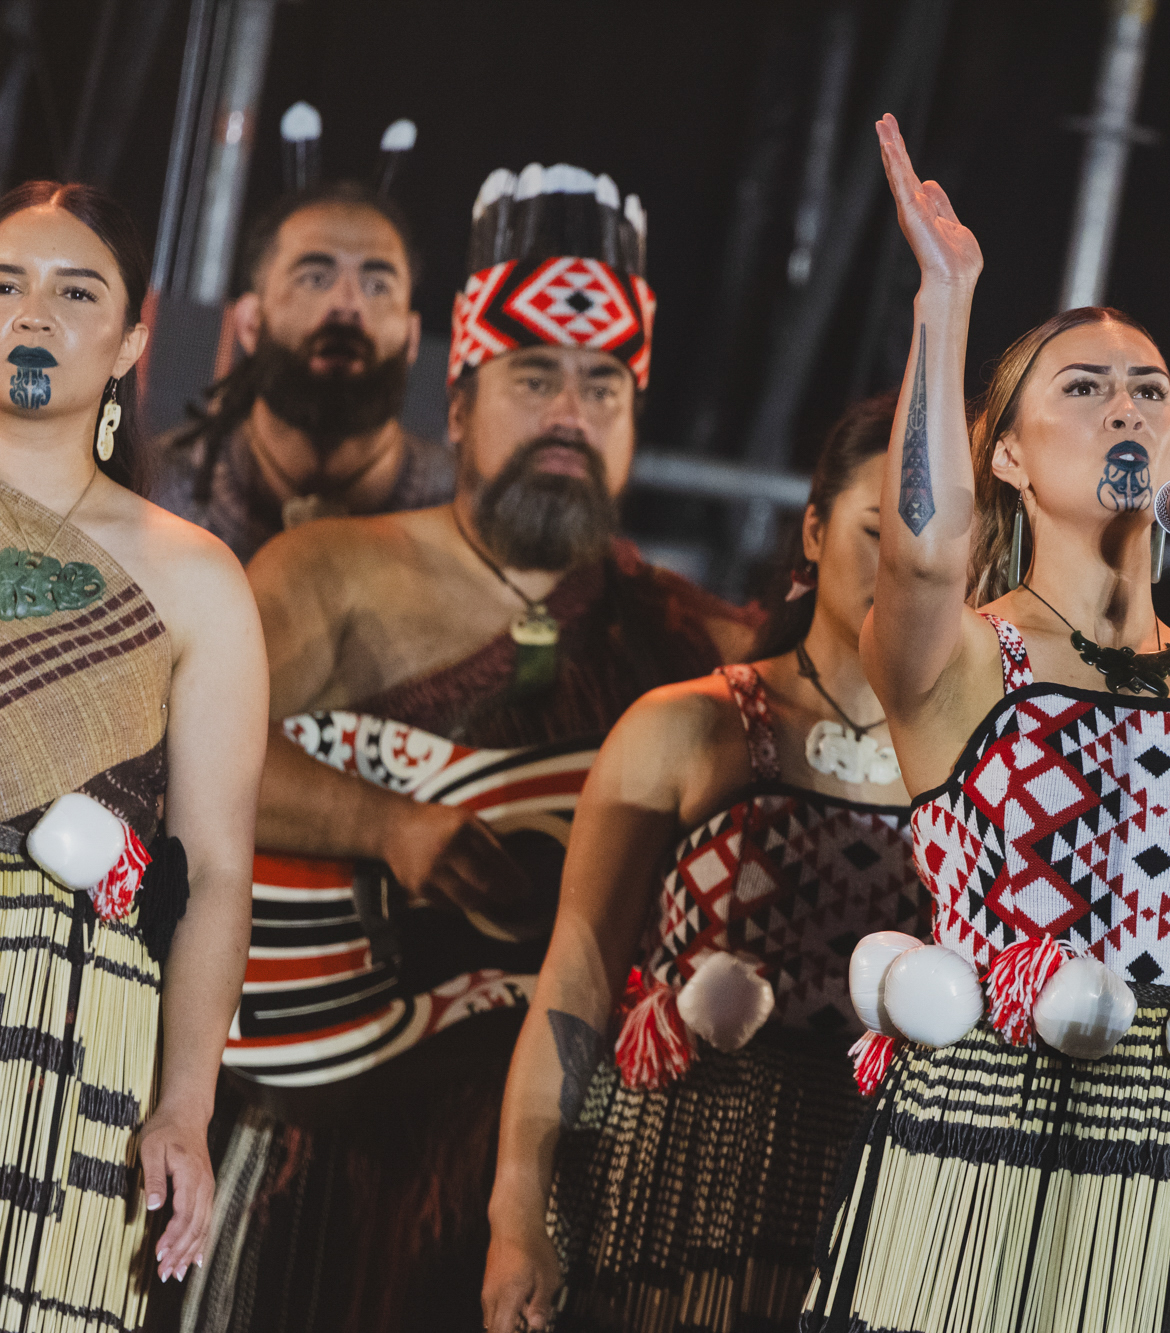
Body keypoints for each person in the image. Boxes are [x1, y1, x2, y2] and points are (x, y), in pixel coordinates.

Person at [802, 116, 1170, 1333]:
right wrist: (944, 298)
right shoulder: (966, 655)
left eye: (1148, 390)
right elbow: (918, 557)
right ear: (1006, 457)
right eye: (1084, 387)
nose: (1126, 406)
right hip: (978, 1148)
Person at [177, 163, 756, 1333]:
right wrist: (389, 825)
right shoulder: (334, 571)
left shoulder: (682, 633)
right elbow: (187, 749)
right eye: (534, 377)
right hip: (325, 1139)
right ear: (455, 407)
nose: (569, 413)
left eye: (603, 387)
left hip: (559, 1167)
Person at [483, 394, 927, 1333]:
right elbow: (577, 974)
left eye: (936, 543)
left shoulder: (979, 766)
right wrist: (517, 1208)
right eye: (879, 531)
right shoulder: (686, 725)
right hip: (675, 1181)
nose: (906, 567)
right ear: (813, 531)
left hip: (873, 1195)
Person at [0, 182, 264, 1329]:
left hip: (68, 1026)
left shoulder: (194, 575)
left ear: (129, 343)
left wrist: (186, 1104)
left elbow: (216, 867)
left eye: (76, 292)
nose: (32, 314)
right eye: (4, 285)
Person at [150, 181, 453, 562]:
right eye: (315, 279)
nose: (347, 305)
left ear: (412, 337)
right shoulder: (154, 499)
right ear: (250, 323)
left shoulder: (460, 509)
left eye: (377, 286)